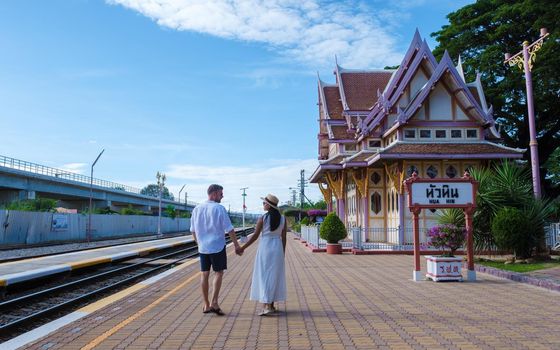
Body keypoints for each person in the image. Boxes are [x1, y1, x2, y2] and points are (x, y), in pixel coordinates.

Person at [190, 184, 243, 316]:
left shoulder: (197, 209)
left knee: (204, 274)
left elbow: (193, 231)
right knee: (218, 273)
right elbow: (229, 228)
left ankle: (206, 305)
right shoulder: (219, 208)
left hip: (203, 248)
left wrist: (199, 243)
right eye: (220, 194)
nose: (222, 196)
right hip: (217, 246)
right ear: (213, 194)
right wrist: (236, 245)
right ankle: (214, 302)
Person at [240, 194, 287, 316]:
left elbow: (255, 236)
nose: (263, 205)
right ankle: (271, 305)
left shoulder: (263, 218)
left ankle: (266, 306)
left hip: (265, 248)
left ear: (269, 205)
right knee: (274, 276)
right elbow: (284, 238)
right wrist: (283, 253)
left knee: (264, 275)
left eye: (264, 203)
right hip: (277, 248)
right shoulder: (283, 219)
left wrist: (242, 247)